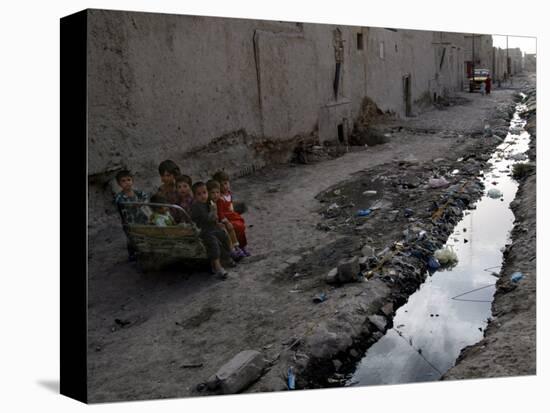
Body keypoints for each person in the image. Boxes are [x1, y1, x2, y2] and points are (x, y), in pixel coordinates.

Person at [191, 182, 232, 279]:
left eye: (204, 192)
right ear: (195, 196)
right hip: (203, 230)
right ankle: (217, 267)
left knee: (224, 235)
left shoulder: (208, 203)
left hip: (212, 227)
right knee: (214, 244)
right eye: (199, 194)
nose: (202, 196)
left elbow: (214, 218)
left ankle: (226, 257)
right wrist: (213, 211)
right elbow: (206, 219)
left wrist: (217, 221)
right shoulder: (196, 206)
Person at [113, 170, 149, 261]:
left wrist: (142, 202)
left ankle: (144, 251)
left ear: (132, 181)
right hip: (129, 222)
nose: (127, 183)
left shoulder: (138, 193)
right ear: (119, 184)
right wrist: (132, 204)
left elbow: (146, 198)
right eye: (123, 181)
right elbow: (119, 204)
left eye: (128, 180)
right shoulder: (120, 197)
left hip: (142, 219)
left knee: (144, 235)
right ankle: (132, 254)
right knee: (131, 239)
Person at [212, 171, 250, 256]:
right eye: (221, 185)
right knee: (235, 227)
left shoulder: (229, 194)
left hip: (232, 215)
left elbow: (231, 205)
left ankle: (243, 246)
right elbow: (220, 212)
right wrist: (225, 220)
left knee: (241, 228)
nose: (224, 187)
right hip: (226, 218)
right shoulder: (220, 198)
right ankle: (236, 248)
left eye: (226, 183)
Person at [206, 179, 245, 260]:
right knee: (225, 229)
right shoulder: (209, 204)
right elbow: (213, 216)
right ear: (208, 193)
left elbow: (221, 214)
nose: (215, 195)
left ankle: (236, 247)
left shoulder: (218, 201)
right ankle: (232, 251)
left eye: (217, 192)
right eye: (213, 193)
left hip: (219, 221)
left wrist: (225, 221)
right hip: (212, 225)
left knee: (230, 226)